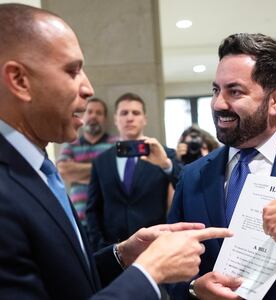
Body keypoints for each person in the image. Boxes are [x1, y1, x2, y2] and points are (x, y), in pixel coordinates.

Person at [0, 3, 234, 300]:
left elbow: (63, 276)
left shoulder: (38, 168)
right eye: (72, 71)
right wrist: (150, 272)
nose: (88, 87)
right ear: (20, 81)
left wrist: (120, 254)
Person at [168, 33, 276, 299]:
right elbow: (169, 269)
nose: (218, 104)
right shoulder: (193, 176)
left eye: (234, 91)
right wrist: (194, 288)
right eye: (216, 90)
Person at [86, 92, 182, 251]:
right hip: (113, 250)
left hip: (155, 246)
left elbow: (185, 187)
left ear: (144, 119)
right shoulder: (101, 161)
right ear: (116, 119)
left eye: (135, 113)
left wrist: (166, 164)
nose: (130, 118)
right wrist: (100, 246)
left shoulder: (164, 154)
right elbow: (92, 209)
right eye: (124, 113)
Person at [57, 97, 116, 227]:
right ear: (83, 116)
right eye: (90, 112)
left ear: (105, 119)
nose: (93, 116)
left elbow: (116, 174)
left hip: (108, 221)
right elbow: (63, 171)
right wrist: (102, 170)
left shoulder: (115, 144)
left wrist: (78, 172)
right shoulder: (71, 143)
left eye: (99, 113)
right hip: (79, 220)